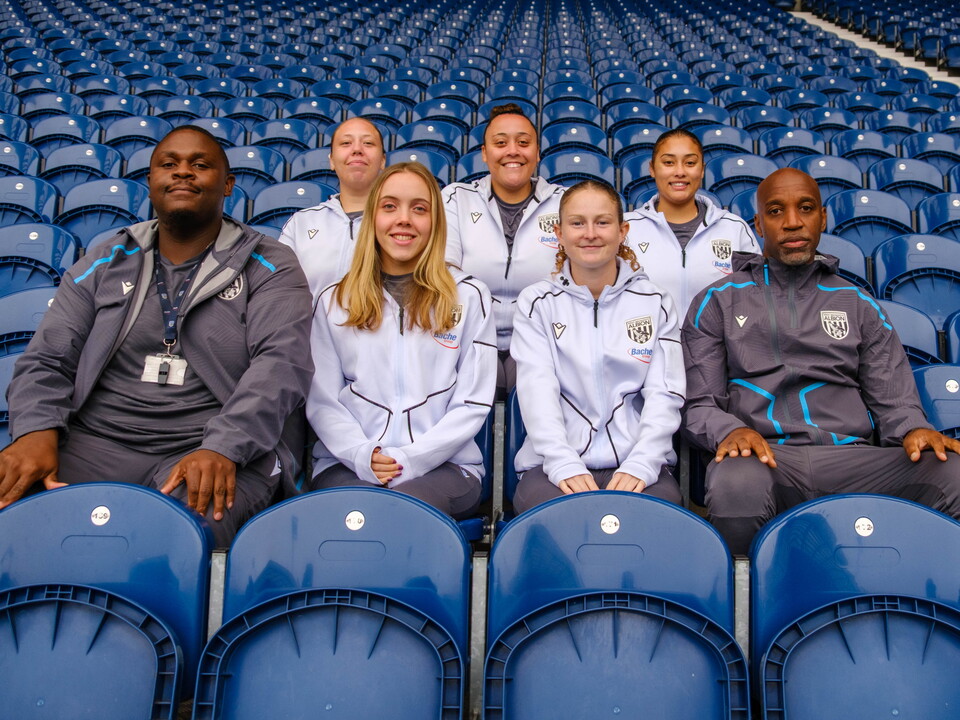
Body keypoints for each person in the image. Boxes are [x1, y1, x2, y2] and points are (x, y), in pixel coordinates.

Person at [0, 125, 314, 547]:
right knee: (15, 505)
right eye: (169, 165)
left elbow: (281, 365)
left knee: (172, 536)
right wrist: (36, 430)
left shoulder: (270, 263)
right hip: (97, 441)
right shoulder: (107, 258)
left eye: (200, 165)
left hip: (206, 446)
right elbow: (48, 357)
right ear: (150, 182)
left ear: (228, 185)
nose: (183, 173)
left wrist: (225, 446)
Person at [682, 167, 960, 555]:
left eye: (806, 208)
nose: (793, 222)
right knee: (736, 482)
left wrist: (914, 427)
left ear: (822, 218)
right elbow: (699, 404)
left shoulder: (857, 302)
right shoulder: (717, 301)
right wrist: (730, 431)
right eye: (776, 211)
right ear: (759, 223)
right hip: (765, 458)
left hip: (854, 460)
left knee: (952, 471)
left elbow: (894, 398)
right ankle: (747, 603)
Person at [306, 161, 497, 518]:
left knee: (402, 511)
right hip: (346, 463)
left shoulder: (471, 297)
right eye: (390, 206)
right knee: (355, 510)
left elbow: (472, 403)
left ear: (436, 223)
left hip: (447, 467)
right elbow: (322, 401)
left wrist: (410, 459)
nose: (404, 219)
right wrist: (363, 455)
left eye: (419, 208)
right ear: (372, 218)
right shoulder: (334, 300)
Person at [510, 179, 685, 514]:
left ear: (623, 232)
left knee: (653, 522)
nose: (590, 233)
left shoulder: (656, 301)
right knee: (561, 521)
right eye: (577, 223)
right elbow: (536, 391)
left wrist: (643, 463)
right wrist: (563, 464)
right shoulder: (536, 303)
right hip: (551, 466)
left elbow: (664, 394)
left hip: (638, 465)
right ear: (559, 234)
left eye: (602, 222)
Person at [443, 103, 565, 392]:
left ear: (537, 153)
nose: (513, 150)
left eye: (523, 143)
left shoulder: (565, 202)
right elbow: (446, 272)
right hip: (467, 334)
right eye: (500, 143)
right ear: (485, 153)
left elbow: (572, 278)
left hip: (542, 335)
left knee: (537, 382)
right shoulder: (456, 198)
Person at [623, 128, 759, 315]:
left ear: (702, 170)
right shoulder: (625, 228)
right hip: (648, 344)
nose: (680, 172)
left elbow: (754, 297)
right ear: (652, 169)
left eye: (690, 163)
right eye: (669, 162)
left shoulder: (734, 228)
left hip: (717, 344)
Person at [279, 116, 386, 301]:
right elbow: (278, 289)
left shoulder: (400, 223)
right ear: (331, 161)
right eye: (346, 143)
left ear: (383, 160)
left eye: (368, 143)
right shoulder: (301, 223)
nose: (357, 150)